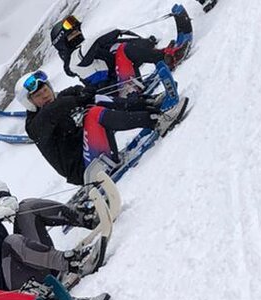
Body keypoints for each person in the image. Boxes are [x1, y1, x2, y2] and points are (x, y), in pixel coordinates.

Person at [18, 69, 187, 186]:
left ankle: (149, 104)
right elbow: (52, 111)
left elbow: (73, 94)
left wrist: (84, 92)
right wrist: (77, 99)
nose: (45, 95)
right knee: (94, 114)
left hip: (95, 157)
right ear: (29, 103)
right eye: (38, 96)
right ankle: (157, 121)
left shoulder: (59, 99)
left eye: (46, 90)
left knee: (96, 100)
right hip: (87, 171)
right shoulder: (34, 125)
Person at [51, 5, 195, 95]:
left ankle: (161, 55)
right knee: (124, 51)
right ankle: (169, 57)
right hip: (116, 92)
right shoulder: (73, 61)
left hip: (123, 81)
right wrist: (113, 32)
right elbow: (96, 40)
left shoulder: (88, 49)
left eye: (77, 30)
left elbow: (112, 45)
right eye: (73, 34)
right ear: (64, 43)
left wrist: (145, 44)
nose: (78, 34)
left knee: (124, 48)